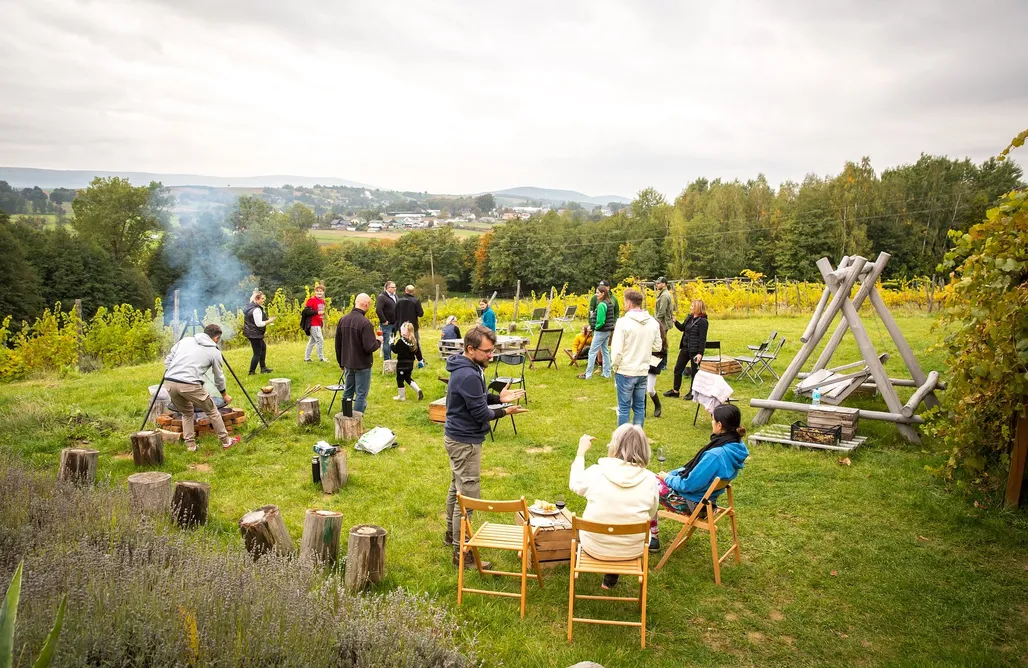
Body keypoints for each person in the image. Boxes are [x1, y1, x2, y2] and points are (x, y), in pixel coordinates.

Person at [444, 325, 527, 568]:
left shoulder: (469, 367)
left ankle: (451, 535)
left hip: (458, 438)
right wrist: (504, 410)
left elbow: (476, 398)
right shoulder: (468, 374)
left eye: (493, 350)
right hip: (465, 442)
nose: (491, 355)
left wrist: (497, 398)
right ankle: (462, 553)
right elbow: (480, 413)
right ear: (471, 349)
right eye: (488, 351)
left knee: (456, 488)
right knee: (467, 498)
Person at [568, 424, 659, 590]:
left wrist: (581, 452)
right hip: (632, 549)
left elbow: (575, 484)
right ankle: (611, 577)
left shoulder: (597, 472)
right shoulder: (651, 479)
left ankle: (609, 574)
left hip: (594, 545)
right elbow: (652, 513)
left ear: (615, 445)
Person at [653, 404, 749, 548]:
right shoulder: (736, 446)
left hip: (692, 503)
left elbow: (687, 485)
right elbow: (691, 471)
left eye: (712, 419)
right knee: (655, 480)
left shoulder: (715, 455)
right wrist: (671, 475)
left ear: (719, 425)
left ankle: (652, 537)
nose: (711, 422)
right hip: (708, 500)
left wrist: (667, 478)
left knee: (647, 484)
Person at [163, 323, 240, 452]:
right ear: (216, 338)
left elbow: (168, 360)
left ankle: (191, 446)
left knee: (187, 413)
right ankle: (226, 442)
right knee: (212, 411)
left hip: (170, 382)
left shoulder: (185, 340)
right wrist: (224, 395)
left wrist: (175, 372)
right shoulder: (214, 352)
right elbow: (219, 378)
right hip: (189, 385)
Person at [610, 289, 662, 427]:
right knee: (639, 407)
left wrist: (615, 367)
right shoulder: (653, 322)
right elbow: (658, 346)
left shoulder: (622, 322)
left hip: (625, 369)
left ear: (628, 303)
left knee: (624, 409)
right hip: (642, 370)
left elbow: (616, 351)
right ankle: (638, 440)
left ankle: (623, 442)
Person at [335, 292, 382, 415]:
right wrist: (379, 341)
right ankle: (356, 419)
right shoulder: (365, 323)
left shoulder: (343, 320)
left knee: (348, 390)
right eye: (369, 304)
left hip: (348, 363)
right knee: (361, 393)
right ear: (366, 304)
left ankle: (345, 415)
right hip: (362, 364)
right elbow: (369, 347)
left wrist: (341, 362)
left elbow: (338, 344)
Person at [664, 299, 709, 400]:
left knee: (694, 373)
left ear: (698, 308)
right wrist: (675, 322)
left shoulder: (703, 322)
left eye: (692, 306)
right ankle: (675, 391)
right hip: (685, 348)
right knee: (677, 369)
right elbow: (682, 328)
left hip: (695, 351)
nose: (690, 308)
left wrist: (700, 353)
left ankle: (692, 393)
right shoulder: (689, 318)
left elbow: (703, 339)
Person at [578, 283, 615, 380]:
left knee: (592, 352)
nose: (596, 294)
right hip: (608, 331)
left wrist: (593, 327)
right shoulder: (609, 302)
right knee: (605, 351)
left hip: (601, 331)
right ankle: (607, 373)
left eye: (598, 293)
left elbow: (601, 321)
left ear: (603, 293)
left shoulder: (602, 305)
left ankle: (588, 374)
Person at [243, 289, 275, 375]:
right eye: (262, 299)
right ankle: (251, 371)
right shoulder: (256, 310)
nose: (263, 300)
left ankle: (263, 368)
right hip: (255, 334)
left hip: (251, 332)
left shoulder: (249, 307)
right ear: (257, 299)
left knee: (263, 348)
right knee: (257, 353)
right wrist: (269, 321)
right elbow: (259, 324)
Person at [392, 321, 425, 401]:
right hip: (410, 365)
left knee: (399, 379)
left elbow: (395, 350)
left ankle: (401, 396)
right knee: (408, 378)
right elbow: (418, 352)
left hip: (401, 365)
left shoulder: (401, 341)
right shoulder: (414, 341)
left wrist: (391, 344)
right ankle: (418, 390)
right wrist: (420, 361)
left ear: (403, 332)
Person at [303, 282, 328, 363]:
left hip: (318, 323)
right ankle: (321, 358)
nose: (319, 293)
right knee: (320, 340)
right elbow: (306, 311)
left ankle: (307, 358)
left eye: (321, 291)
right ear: (315, 292)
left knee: (312, 341)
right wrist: (317, 313)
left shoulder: (322, 301)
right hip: (313, 324)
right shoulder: (311, 300)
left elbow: (321, 312)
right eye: (317, 291)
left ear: (323, 292)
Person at [647, 322, 668, 418]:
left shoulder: (661, 342)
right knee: (641, 389)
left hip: (652, 366)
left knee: (650, 389)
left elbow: (662, 354)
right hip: (643, 365)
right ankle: (642, 409)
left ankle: (657, 404)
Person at [376, 281, 398, 361]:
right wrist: (384, 320)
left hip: (395, 323)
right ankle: (387, 359)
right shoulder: (382, 297)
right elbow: (378, 310)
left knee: (392, 340)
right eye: (392, 287)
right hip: (387, 324)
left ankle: (391, 356)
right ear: (387, 288)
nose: (394, 289)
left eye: (395, 287)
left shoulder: (395, 296)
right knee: (387, 341)